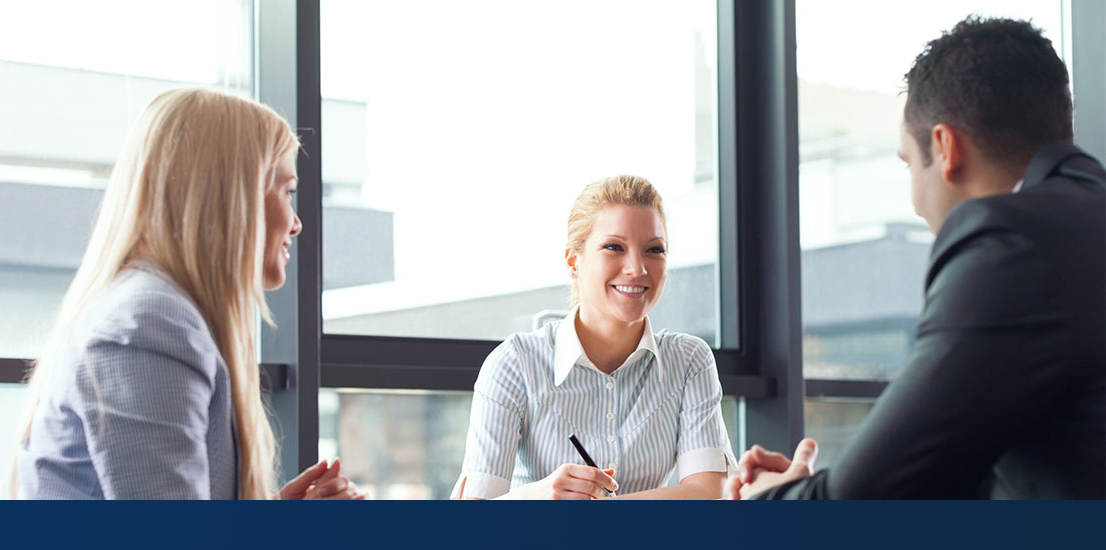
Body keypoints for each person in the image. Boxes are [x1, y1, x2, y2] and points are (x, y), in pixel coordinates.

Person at [728, 16, 1105, 499]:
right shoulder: (1083, 221)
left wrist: (769, 501)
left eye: (908, 163)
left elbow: (865, 502)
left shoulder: (1010, 242)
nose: (913, 197)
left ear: (946, 148)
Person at [9, 88, 366, 500]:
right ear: (236, 197)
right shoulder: (150, 324)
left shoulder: (160, 314)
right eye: (287, 192)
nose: (297, 223)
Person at [452, 175, 736, 500]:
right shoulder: (514, 364)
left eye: (654, 250)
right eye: (614, 247)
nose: (637, 268)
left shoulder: (689, 361)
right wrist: (540, 497)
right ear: (574, 261)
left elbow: (709, 495)